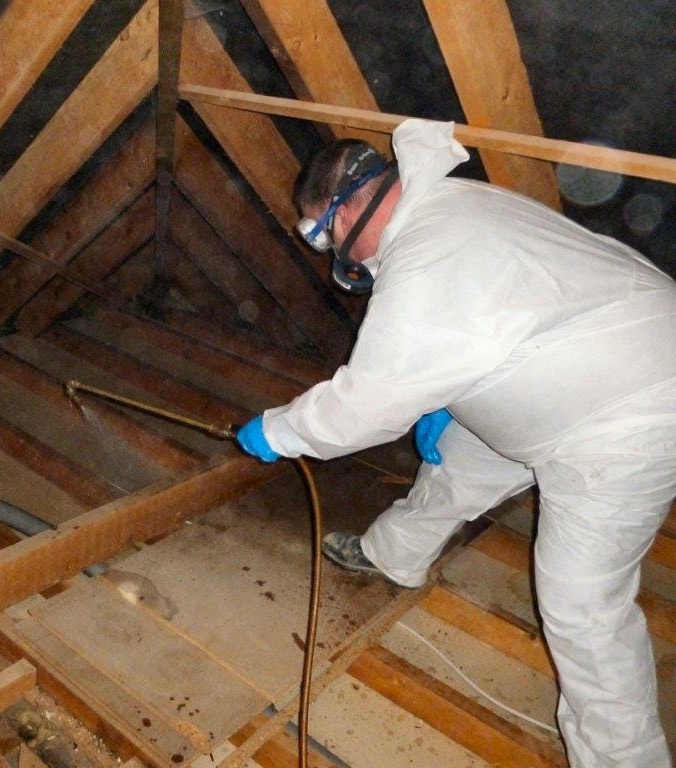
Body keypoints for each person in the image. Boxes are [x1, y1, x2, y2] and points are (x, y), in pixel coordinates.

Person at [236, 118, 676, 768]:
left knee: (582, 605)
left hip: (629, 415)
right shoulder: (455, 208)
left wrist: (279, 429)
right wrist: (449, 398)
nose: (334, 253)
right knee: (465, 455)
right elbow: (504, 313)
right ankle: (394, 553)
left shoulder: (427, 251)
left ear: (350, 204)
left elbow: (367, 404)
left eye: (320, 231)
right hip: (587, 371)